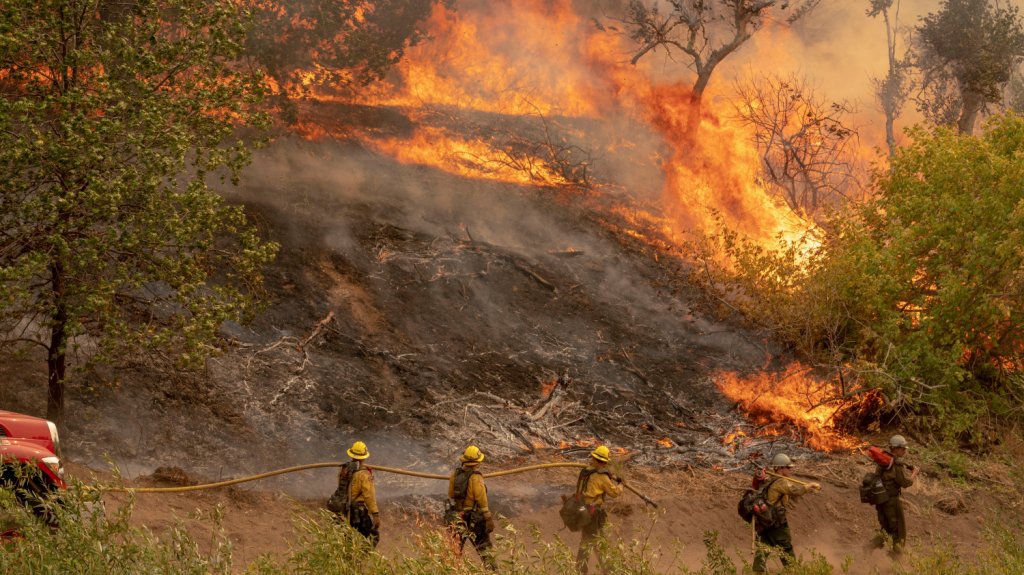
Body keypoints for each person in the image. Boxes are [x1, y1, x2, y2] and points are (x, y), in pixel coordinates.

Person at [752, 453, 822, 575]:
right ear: (780, 468)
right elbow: (794, 490)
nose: (791, 469)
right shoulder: (781, 482)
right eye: (788, 467)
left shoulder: (769, 480)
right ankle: (793, 570)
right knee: (786, 547)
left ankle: (758, 571)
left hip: (765, 520)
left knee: (764, 546)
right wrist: (809, 486)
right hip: (776, 521)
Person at [575, 445, 624, 575]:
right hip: (593, 514)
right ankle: (606, 571)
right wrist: (621, 484)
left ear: (594, 458)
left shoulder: (585, 471)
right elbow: (614, 493)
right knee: (594, 542)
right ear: (603, 462)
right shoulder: (602, 477)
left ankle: (584, 570)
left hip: (582, 511)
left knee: (589, 541)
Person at [448, 445, 496, 570]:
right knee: (485, 550)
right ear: (477, 462)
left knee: (454, 552)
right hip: (474, 520)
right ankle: (493, 572)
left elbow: (451, 494)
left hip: (458, 517)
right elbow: (482, 500)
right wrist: (488, 519)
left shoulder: (455, 474)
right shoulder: (476, 477)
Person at [871, 434, 919, 555]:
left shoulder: (883, 462)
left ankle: (867, 548)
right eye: (903, 448)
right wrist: (914, 475)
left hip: (881, 500)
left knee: (886, 531)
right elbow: (904, 483)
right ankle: (896, 563)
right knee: (899, 532)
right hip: (892, 502)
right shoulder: (895, 464)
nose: (904, 451)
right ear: (896, 448)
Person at [336, 440, 380, 546]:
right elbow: (369, 496)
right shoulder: (364, 475)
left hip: (343, 511)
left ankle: (348, 559)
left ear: (351, 455)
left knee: (347, 539)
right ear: (364, 457)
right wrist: (375, 515)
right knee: (371, 538)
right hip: (357, 513)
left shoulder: (344, 470)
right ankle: (360, 560)